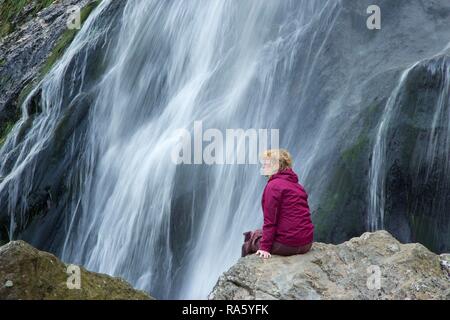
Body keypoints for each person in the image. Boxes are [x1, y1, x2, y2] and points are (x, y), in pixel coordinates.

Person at [241, 149, 314, 259]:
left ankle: (245, 271)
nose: (263, 167)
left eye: (266, 164)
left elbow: (270, 221)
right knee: (259, 232)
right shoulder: (297, 186)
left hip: (287, 245)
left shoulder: (273, 186)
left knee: (251, 239)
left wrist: (264, 247)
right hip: (306, 244)